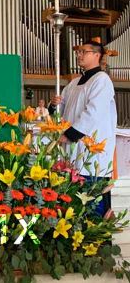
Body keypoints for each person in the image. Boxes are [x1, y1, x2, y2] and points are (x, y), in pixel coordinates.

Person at [50, 40, 117, 217]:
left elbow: (93, 112)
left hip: (92, 154)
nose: (79, 55)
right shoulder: (74, 83)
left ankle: (97, 244)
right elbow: (62, 111)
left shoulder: (102, 80)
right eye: (78, 52)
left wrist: (70, 134)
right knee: (74, 208)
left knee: (93, 207)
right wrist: (53, 105)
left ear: (97, 55)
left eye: (84, 52)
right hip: (73, 153)